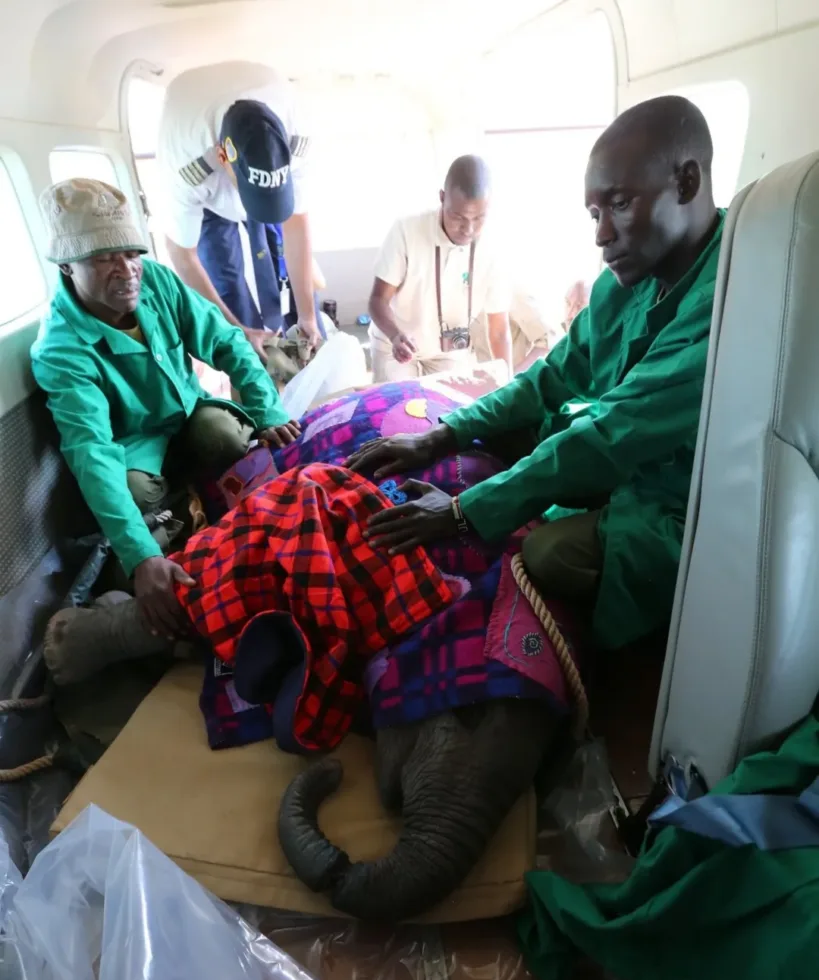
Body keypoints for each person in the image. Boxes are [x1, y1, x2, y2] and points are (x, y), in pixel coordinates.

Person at [347, 96, 724, 650]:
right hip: (626, 455)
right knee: (523, 428)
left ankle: (642, 651)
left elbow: (611, 434)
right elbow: (549, 377)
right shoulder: (631, 281)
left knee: (548, 555)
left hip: (686, 497)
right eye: (595, 215)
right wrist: (440, 437)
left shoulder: (726, 300)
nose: (601, 236)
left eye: (619, 204)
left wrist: (460, 514)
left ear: (687, 183)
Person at [32, 178, 301, 640]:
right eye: (104, 258)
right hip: (136, 447)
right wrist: (141, 556)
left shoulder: (157, 282)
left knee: (227, 435)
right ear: (66, 265)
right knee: (133, 495)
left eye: (132, 253)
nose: (127, 269)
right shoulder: (60, 349)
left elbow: (225, 341)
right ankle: (166, 537)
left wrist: (269, 410)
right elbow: (92, 451)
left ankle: (191, 509)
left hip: (188, 416)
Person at [156, 61, 323, 363]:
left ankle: (302, 346)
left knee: (286, 274)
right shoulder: (185, 166)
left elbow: (297, 221)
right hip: (210, 206)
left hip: (263, 168)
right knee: (227, 284)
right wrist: (236, 328)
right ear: (222, 157)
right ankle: (251, 361)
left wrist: (308, 316)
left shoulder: (299, 136)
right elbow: (182, 252)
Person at [368, 155, 513, 381]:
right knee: (399, 408)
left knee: (452, 411)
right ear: (442, 198)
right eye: (458, 216)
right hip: (395, 344)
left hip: (449, 352)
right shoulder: (407, 230)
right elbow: (378, 300)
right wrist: (395, 335)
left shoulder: (494, 247)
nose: (468, 228)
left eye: (478, 218)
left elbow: (499, 330)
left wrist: (509, 384)